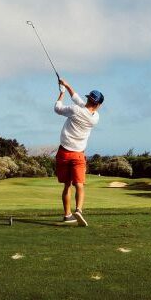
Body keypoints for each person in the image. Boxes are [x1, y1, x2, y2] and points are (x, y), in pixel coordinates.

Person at [54, 78, 103, 227]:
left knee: (67, 186)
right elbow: (78, 100)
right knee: (80, 184)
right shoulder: (95, 118)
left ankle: (67, 215)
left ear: (89, 99)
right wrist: (67, 85)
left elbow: (57, 108)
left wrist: (61, 93)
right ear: (98, 105)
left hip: (64, 153)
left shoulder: (75, 110)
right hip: (78, 155)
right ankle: (79, 210)